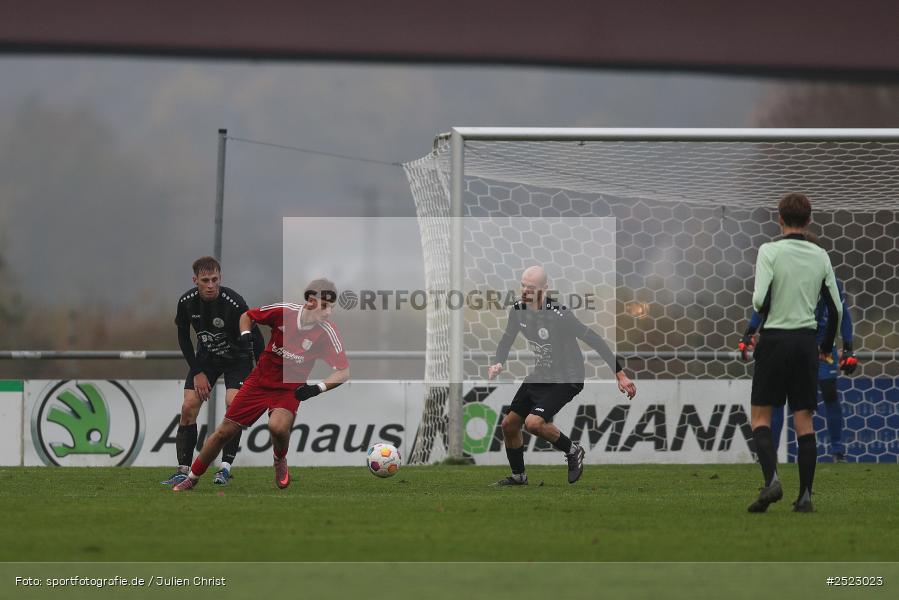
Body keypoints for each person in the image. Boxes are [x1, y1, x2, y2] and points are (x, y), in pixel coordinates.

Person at [174, 278, 349, 491]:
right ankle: (191, 478)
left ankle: (279, 459)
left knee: (277, 426)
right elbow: (248, 316)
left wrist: (316, 388)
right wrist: (246, 335)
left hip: (288, 388)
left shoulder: (327, 332)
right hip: (258, 382)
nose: (329, 312)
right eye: (325, 306)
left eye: (332, 307)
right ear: (311, 301)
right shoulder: (284, 311)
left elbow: (343, 371)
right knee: (223, 432)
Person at [487, 266, 636, 486]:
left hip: (567, 378)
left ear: (544, 288)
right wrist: (498, 362)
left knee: (533, 423)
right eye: (523, 285)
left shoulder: (560, 314)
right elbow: (506, 340)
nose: (525, 291)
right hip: (541, 375)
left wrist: (620, 374)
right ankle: (519, 477)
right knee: (509, 425)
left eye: (531, 287)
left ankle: (573, 450)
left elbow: (594, 339)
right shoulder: (518, 310)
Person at [746, 194, 841, 514]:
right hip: (805, 343)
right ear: (809, 220)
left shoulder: (768, 251)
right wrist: (826, 347)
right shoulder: (820, 255)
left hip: (774, 340)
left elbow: (760, 300)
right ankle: (805, 497)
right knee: (804, 421)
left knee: (760, 416)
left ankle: (771, 479)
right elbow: (836, 308)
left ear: (780, 219)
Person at [740, 232, 856, 463]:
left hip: (823, 347)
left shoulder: (828, 278)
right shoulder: (786, 277)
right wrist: (749, 332)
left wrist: (848, 347)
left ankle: (837, 451)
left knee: (828, 393)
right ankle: (769, 453)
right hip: (795, 342)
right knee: (779, 399)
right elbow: (763, 306)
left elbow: (842, 313)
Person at [162, 256, 263, 486]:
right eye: (205, 280)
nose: (210, 285)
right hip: (206, 359)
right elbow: (183, 336)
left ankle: (225, 468)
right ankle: (182, 470)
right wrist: (197, 371)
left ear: (220, 278)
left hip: (237, 359)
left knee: (233, 403)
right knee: (188, 406)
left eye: (214, 279)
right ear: (195, 280)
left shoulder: (235, 302)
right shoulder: (186, 302)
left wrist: (262, 369)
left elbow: (255, 335)